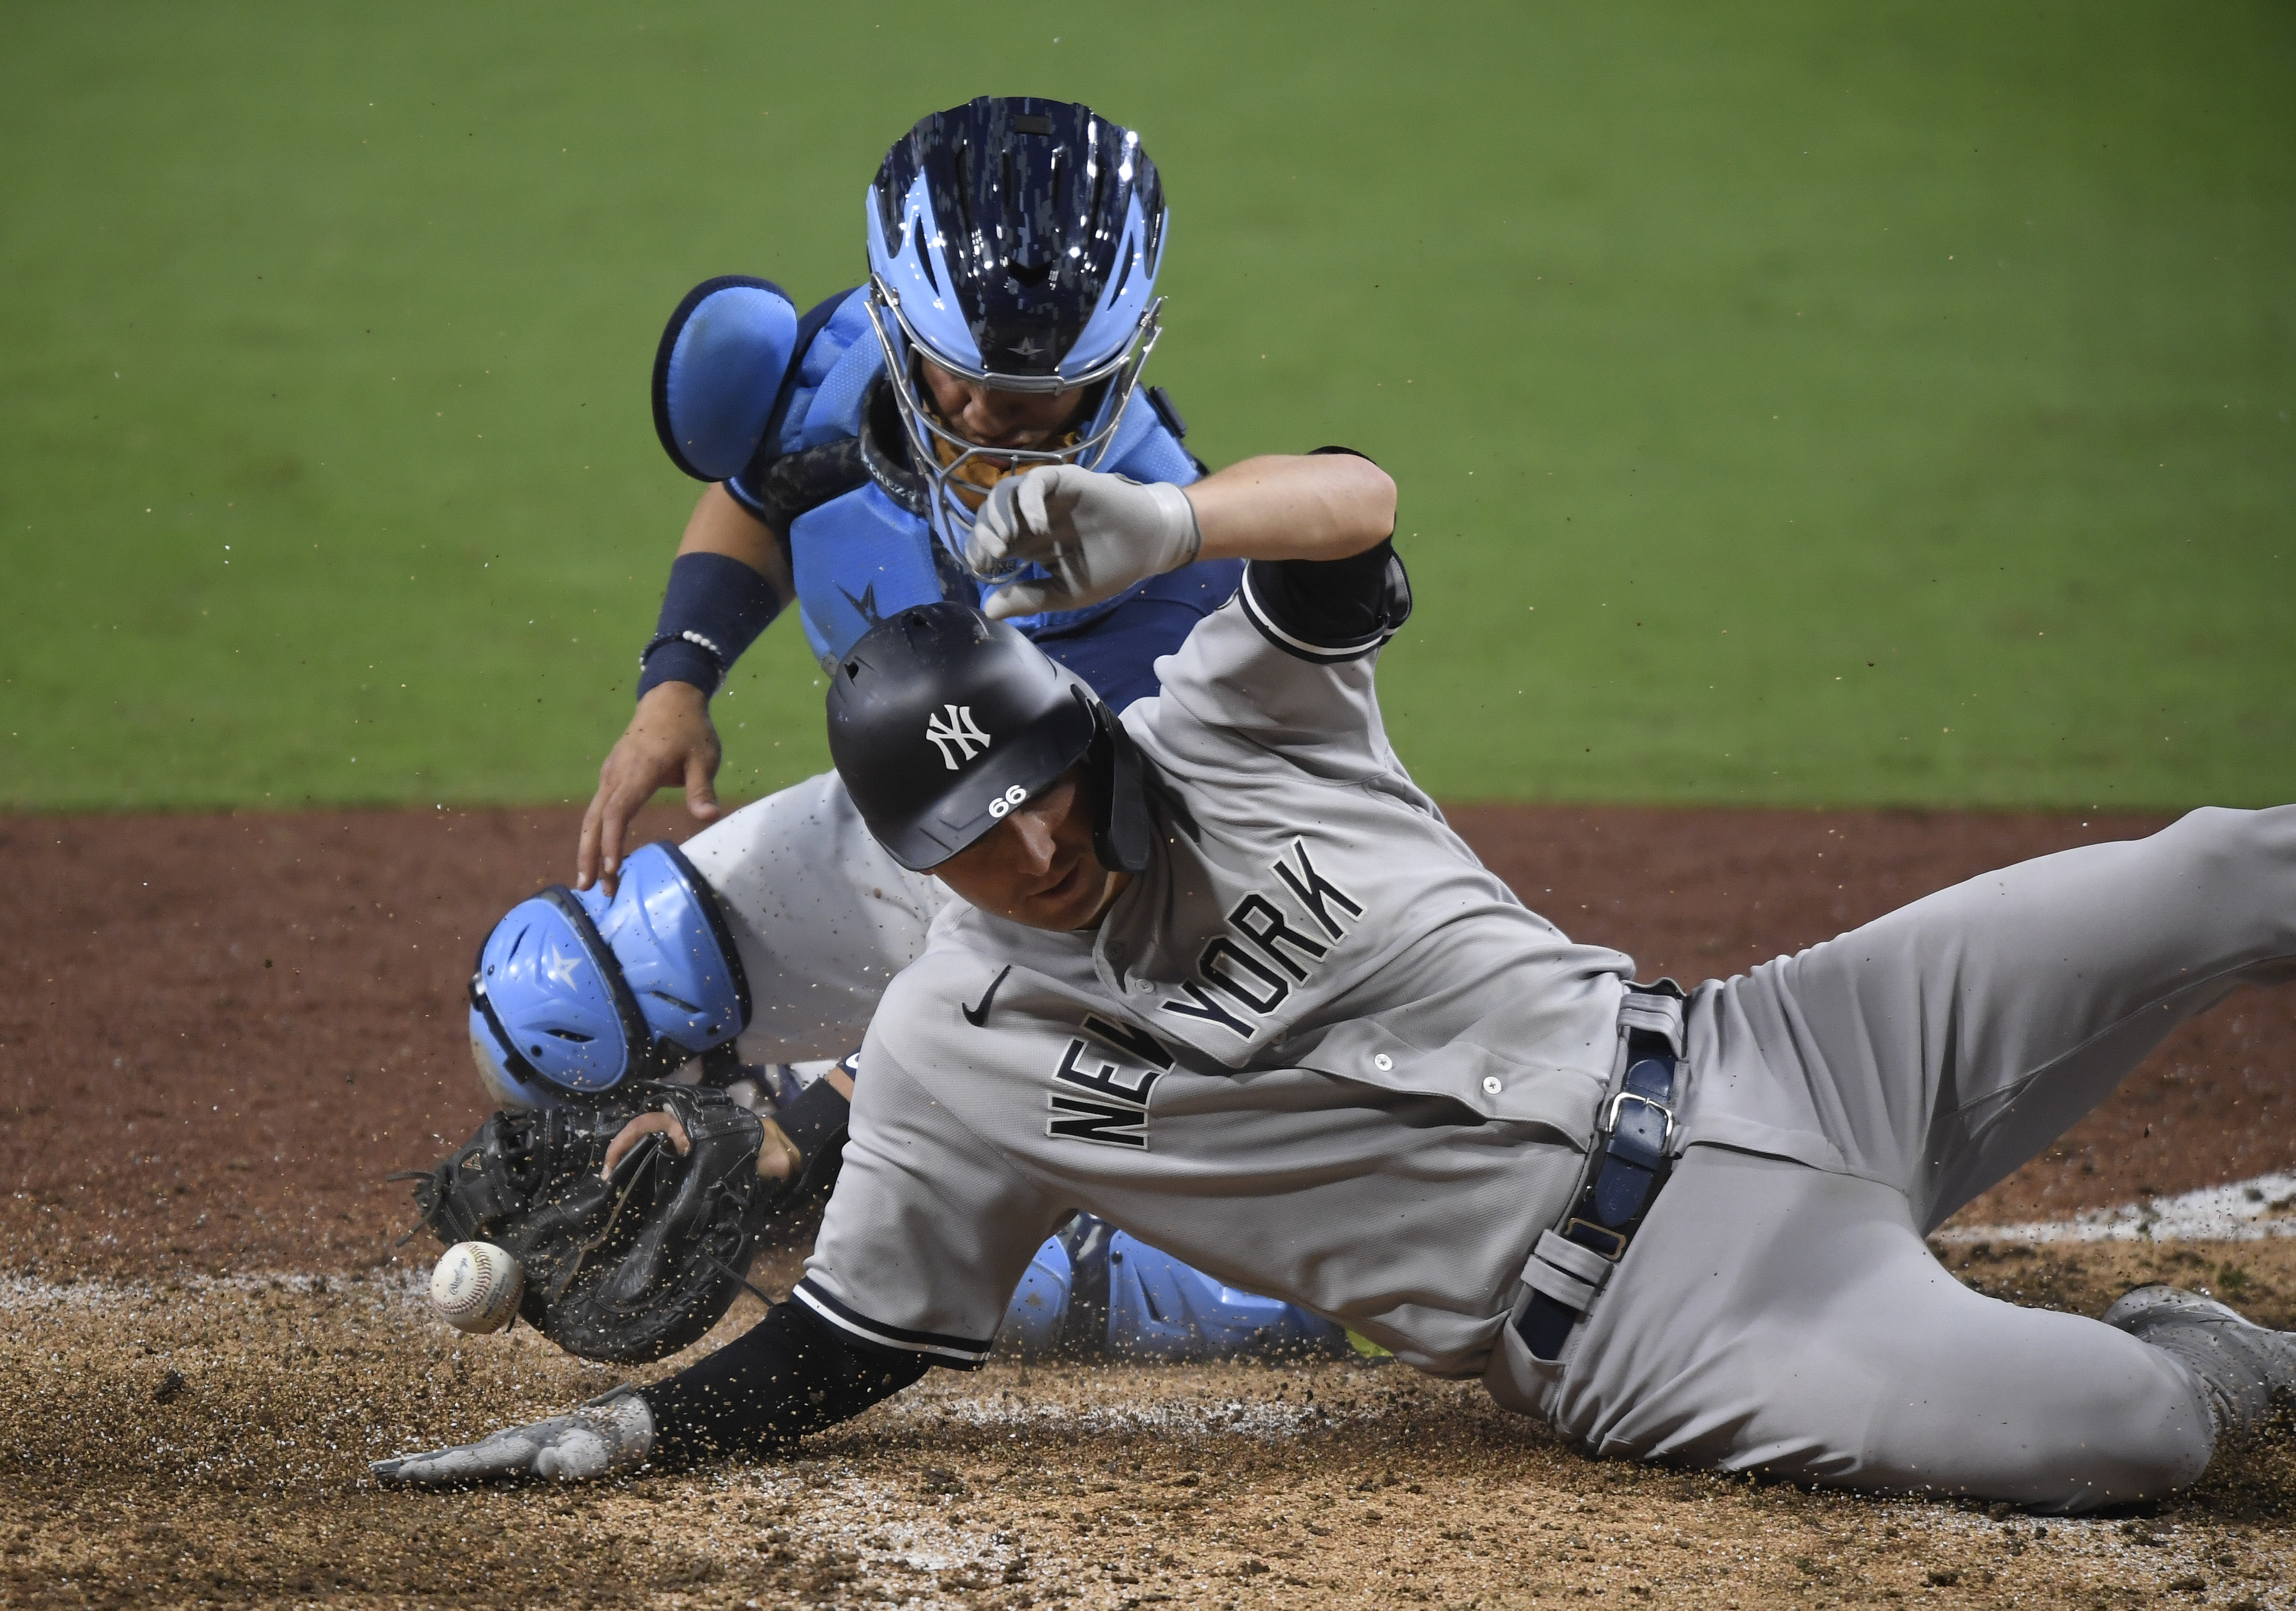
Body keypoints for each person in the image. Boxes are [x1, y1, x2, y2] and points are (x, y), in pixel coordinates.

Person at [387, 463, 2296, 1508]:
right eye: (977, 836)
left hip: (1785, 1041)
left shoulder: (1239, 719)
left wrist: (1184, 525)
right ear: (916, 862)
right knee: (2135, 1428)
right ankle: (2209, 1356)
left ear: (1077, 732)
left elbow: (1359, 513)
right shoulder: (950, 1056)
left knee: (2224, 865)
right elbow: (867, 1333)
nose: (1036, 847)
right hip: (1666, 1328)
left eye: (1043, 788)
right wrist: (648, 1430)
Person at [456, 94, 1367, 1362]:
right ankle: (706, 1165)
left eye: (1047, 398)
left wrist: (795, 1145)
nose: (996, 423)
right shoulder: (835, 372)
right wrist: (679, 681)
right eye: (966, 382)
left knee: (1044, 1290)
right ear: (894, 322)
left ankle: (1205, 1229)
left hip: (1131, 952)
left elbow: (1061, 924)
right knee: (551, 1003)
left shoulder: (1153, 575)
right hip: (924, 847)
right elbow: (759, 496)